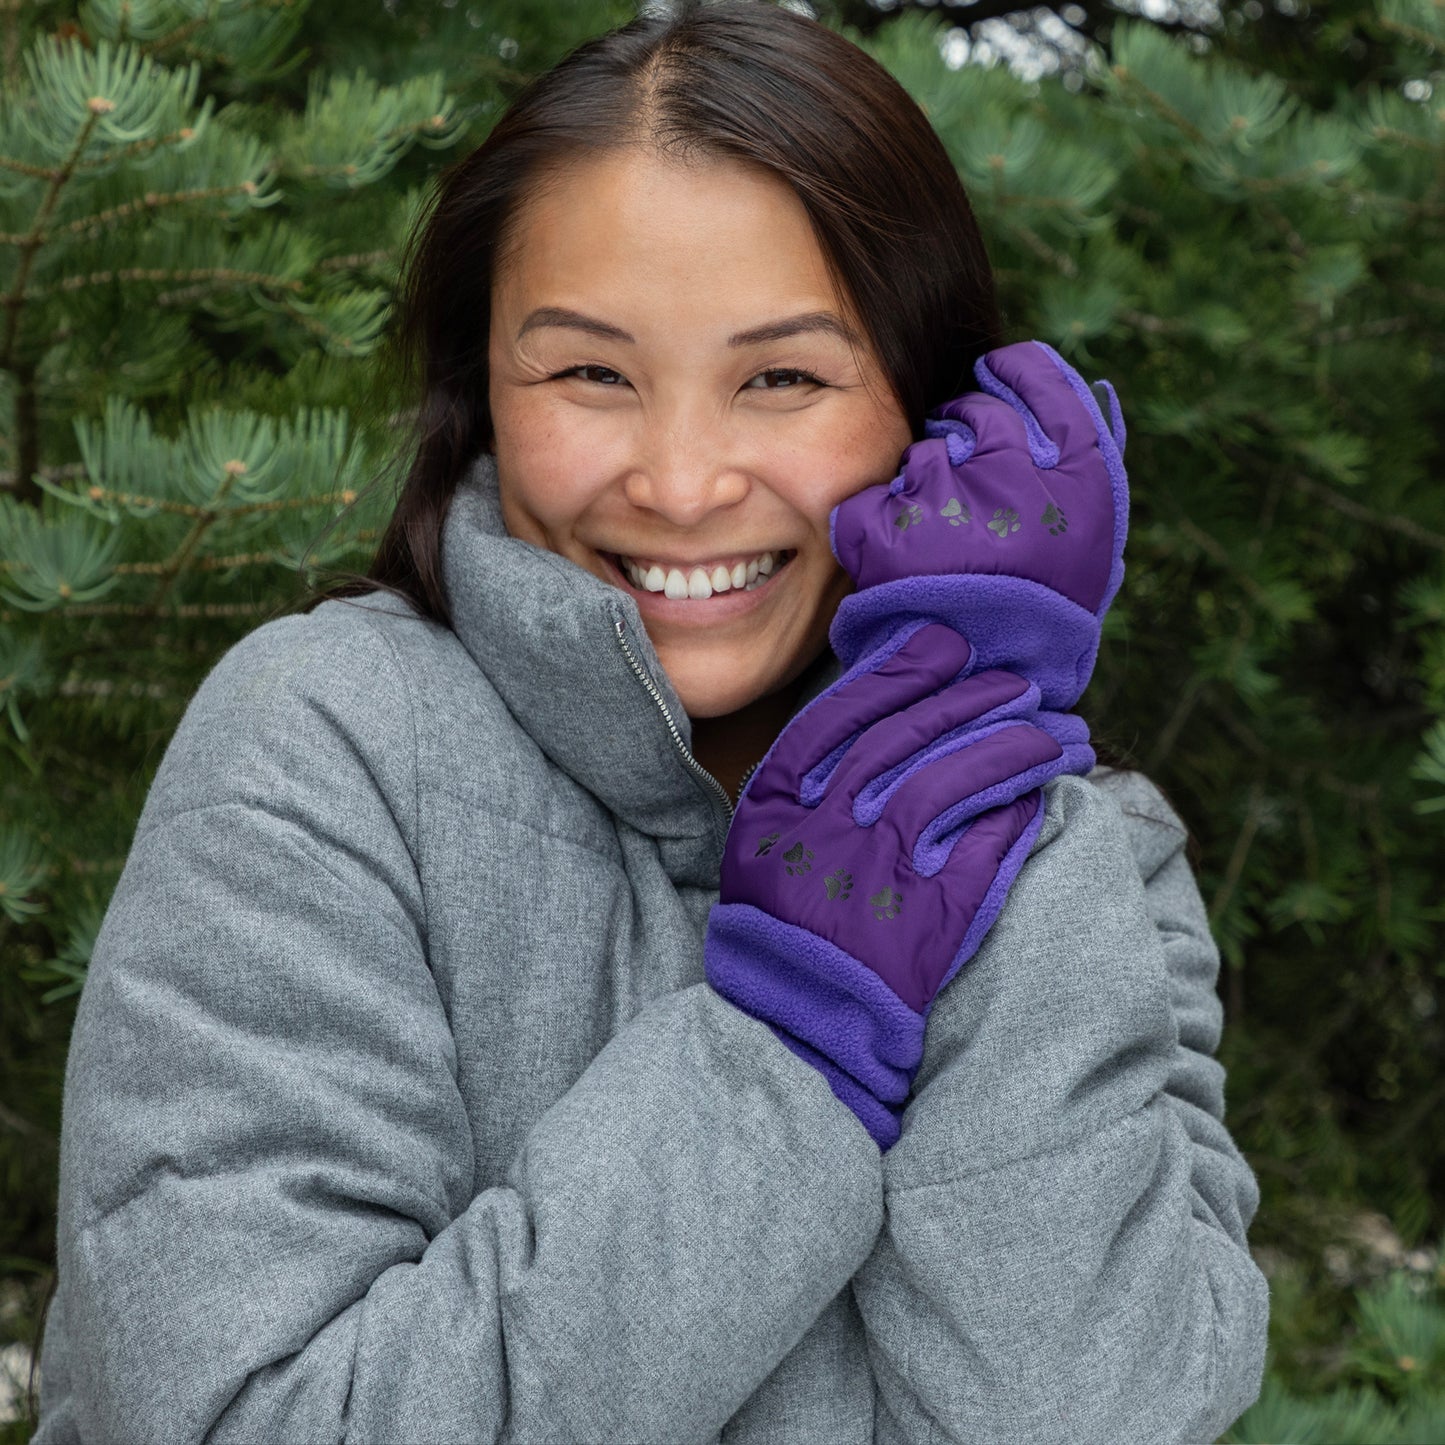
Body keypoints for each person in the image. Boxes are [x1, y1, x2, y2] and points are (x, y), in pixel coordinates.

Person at [33, 2, 1269, 1441]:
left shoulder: (1092, 852)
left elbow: (1095, 1411)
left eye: (784, 377)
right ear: (480, 392)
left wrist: (974, 754)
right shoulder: (326, 744)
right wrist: (787, 1046)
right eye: (590, 372)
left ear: (923, 410)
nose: (682, 483)